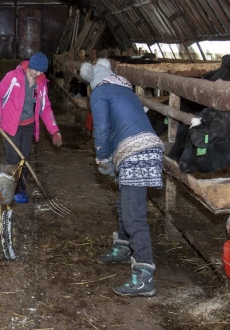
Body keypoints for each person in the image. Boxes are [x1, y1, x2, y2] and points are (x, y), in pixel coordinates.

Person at [80, 58, 164, 297]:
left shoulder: (99, 93)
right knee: (125, 202)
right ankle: (123, 247)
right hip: (148, 148)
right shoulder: (125, 90)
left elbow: (102, 128)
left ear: (93, 81)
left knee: (133, 214)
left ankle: (144, 275)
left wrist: (102, 157)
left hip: (134, 153)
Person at [0, 52, 62, 203]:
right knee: (13, 158)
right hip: (10, 124)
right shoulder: (13, 77)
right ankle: (13, 188)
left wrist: (54, 131)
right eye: (36, 70)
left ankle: (21, 185)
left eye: (41, 71)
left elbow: (45, 108)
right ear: (30, 66)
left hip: (28, 125)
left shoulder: (41, 84)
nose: (38, 74)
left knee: (24, 156)